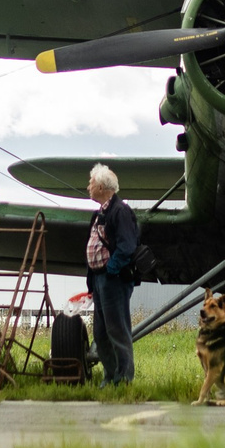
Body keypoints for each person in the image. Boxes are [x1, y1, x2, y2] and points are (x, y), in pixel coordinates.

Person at [85, 163, 141, 385]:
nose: (88, 186)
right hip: (100, 280)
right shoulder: (101, 213)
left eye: (91, 182)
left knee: (117, 331)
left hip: (113, 280)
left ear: (100, 186)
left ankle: (123, 380)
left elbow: (127, 246)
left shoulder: (120, 211)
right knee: (100, 332)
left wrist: (111, 269)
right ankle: (110, 377)